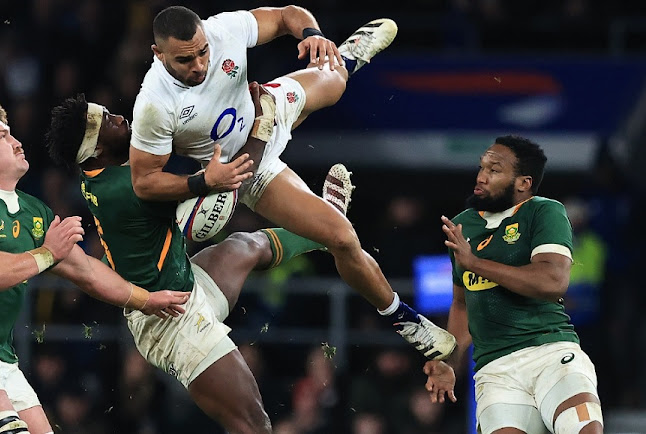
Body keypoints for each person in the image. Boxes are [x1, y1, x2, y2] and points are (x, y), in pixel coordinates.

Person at [128, 5, 455, 360]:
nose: (200, 65)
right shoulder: (153, 105)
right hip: (248, 170)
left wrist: (312, 35)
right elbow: (144, 182)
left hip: (267, 106)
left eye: (203, 52)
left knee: (336, 80)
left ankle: (343, 57)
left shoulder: (222, 30)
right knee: (342, 238)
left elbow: (286, 15)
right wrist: (202, 181)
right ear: (158, 54)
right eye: (185, 60)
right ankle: (405, 320)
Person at [45, 87, 336, 433]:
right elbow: (231, 182)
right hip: (173, 324)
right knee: (255, 424)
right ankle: (327, 225)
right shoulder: (128, 188)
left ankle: (326, 227)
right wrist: (261, 124)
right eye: (107, 119)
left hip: (183, 288)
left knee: (247, 245)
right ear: (96, 147)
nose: (119, 118)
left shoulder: (97, 175)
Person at [0, 101, 191, 434]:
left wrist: (146, 299)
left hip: (0, 360)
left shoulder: (32, 211)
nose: (16, 142)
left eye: (11, 134)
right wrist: (45, 253)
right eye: (2, 136)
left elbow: (84, 270)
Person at [423, 136, 603, 433]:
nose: (481, 177)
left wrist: (476, 263)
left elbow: (552, 281)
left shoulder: (544, 212)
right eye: (481, 167)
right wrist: (449, 361)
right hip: (496, 370)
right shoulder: (462, 226)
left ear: (523, 183)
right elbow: (462, 303)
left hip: (551, 353)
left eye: (494, 170)